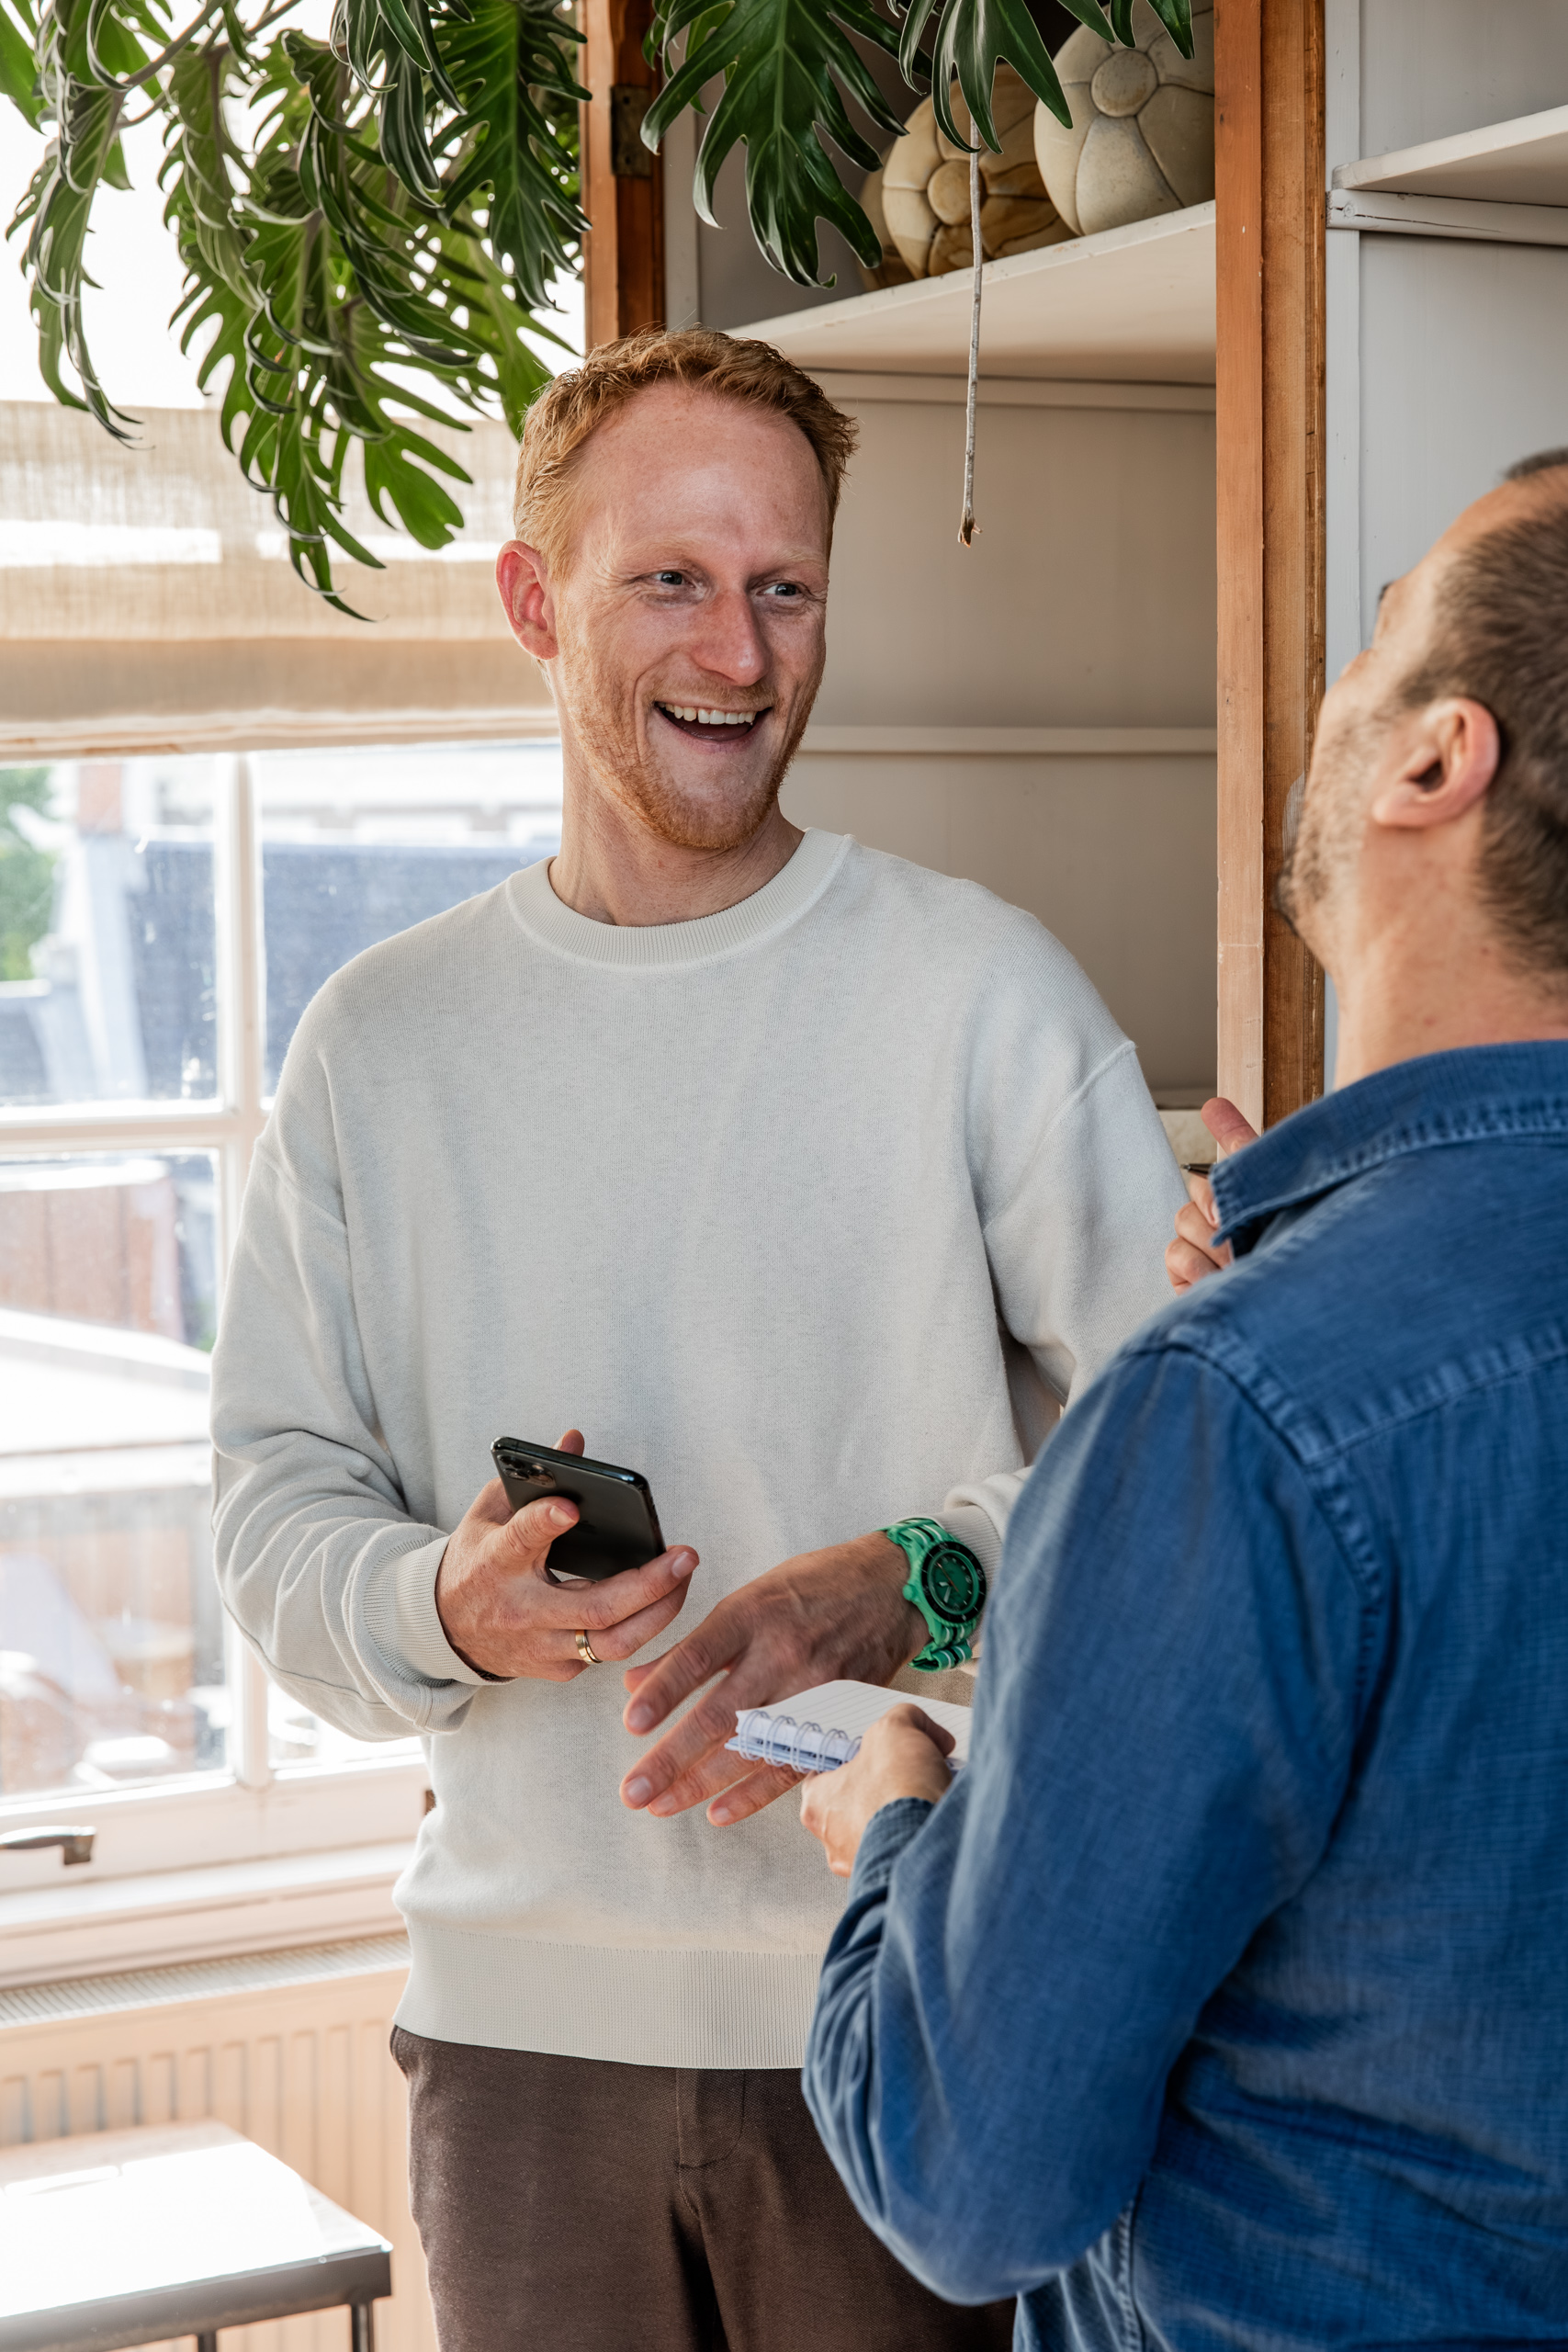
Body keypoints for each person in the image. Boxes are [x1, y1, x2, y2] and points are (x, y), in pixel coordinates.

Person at [209, 327, 1187, 2352]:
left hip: (912, 2007)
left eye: (785, 587)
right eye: (670, 578)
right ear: (532, 600)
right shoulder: (378, 1045)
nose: (737, 653)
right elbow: (271, 1510)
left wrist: (911, 1576)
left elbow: (1180, 1478)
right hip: (516, 2051)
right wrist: (441, 1608)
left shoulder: (980, 993)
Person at [797, 455, 1568, 2347]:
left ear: (1432, 759)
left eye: (1375, 630)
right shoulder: (1271, 1384)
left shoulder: (1242, 1408)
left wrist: (899, 1823)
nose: (1333, 678)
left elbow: (970, 2177)